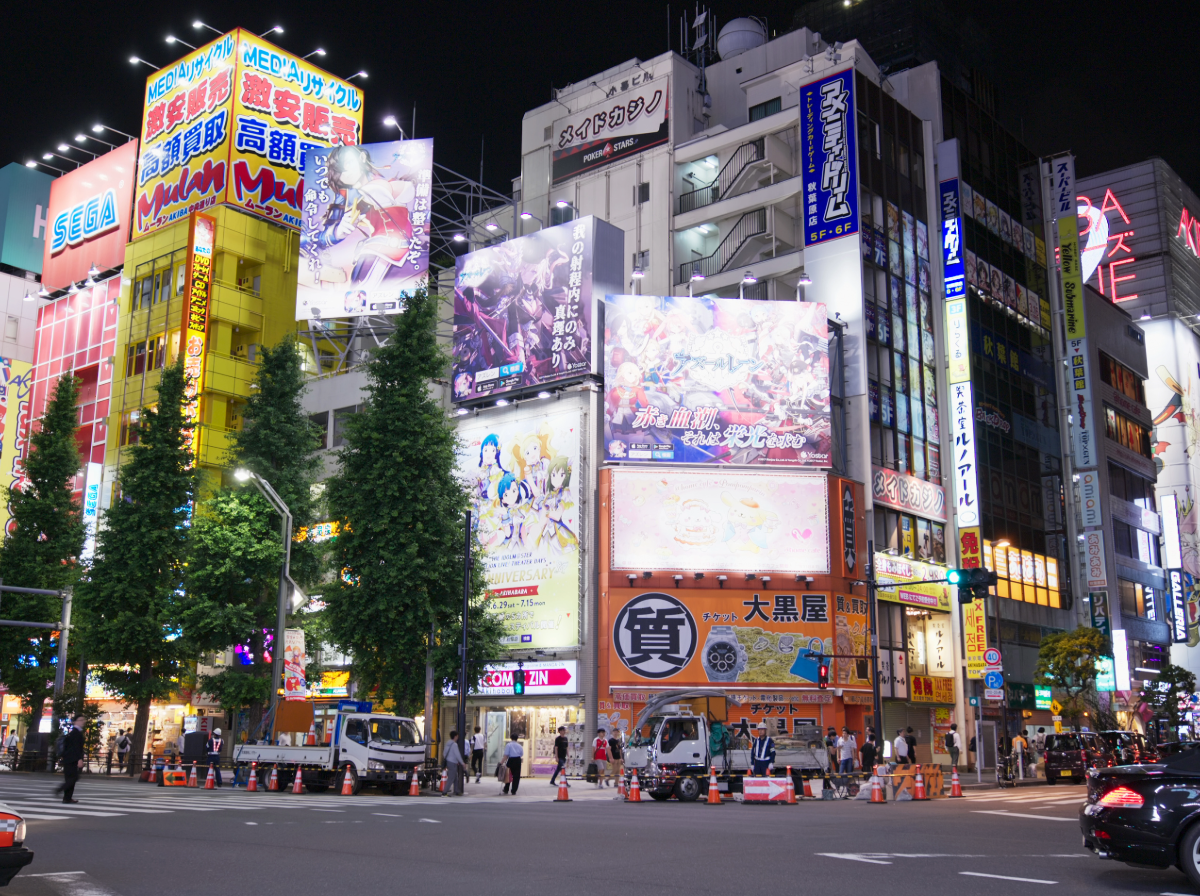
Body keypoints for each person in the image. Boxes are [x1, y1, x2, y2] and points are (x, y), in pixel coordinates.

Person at [55, 716, 85, 803]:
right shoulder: (76, 733)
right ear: (75, 722)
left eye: (83, 720)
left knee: (70, 778)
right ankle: (60, 790)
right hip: (72, 759)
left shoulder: (74, 732)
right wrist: (79, 759)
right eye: (80, 720)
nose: (82, 722)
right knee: (73, 778)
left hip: (68, 758)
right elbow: (76, 748)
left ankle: (67, 798)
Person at [444, 730, 466, 796]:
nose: (458, 737)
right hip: (452, 763)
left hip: (448, 762)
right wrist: (462, 763)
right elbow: (457, 754)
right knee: (451, 778)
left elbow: (444, 753)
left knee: (455, 777)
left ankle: (457, 791)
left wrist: (449, 759)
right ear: (455, 736)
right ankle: (444, 792)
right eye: (457, 736)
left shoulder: (447, 743)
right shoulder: (454, 744)